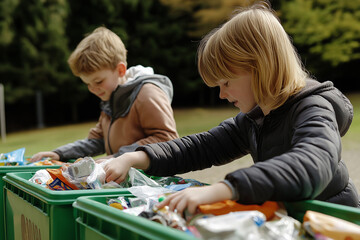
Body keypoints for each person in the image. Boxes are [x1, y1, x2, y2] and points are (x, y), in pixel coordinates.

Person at [104, 1, 360, 215]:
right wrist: (134, 157)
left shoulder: (314, 108)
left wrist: (225, 188)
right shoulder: (254, 118)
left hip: (337, 224)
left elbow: (311, 164)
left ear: (261, 67)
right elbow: (200, 147)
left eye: (226, 82)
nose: (222, 94)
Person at [31, 27, 179, 162]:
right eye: (88, 83)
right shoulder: (111, 98)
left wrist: (117, 158)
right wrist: (60, 153)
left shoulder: (147, 93)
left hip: (151, 185)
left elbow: (167, 138)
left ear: (120, 70)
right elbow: (97, 140)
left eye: (98, 81)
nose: (92, 89)